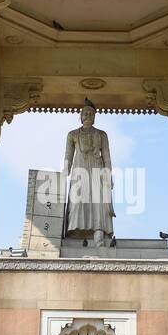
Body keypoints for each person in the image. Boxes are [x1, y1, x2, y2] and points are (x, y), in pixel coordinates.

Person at [63, 100, 115, 246]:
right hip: (79, 170)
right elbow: (68, 155)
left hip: (97, 169)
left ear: (94, 116)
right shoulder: (72, 134)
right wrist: (64, 172)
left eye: (91, 113)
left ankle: (98, 232)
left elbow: (107, 157)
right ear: (80, 116)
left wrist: (109, 174)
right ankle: (75, 231)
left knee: (97, 202)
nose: (87, 115)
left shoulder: (101, 134)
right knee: (77, 201)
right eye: (85, 113)